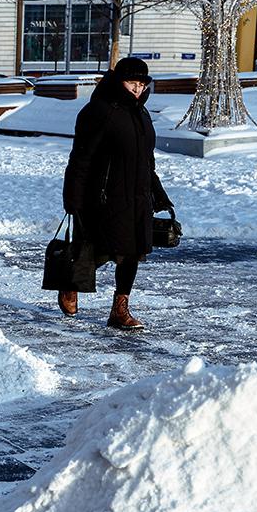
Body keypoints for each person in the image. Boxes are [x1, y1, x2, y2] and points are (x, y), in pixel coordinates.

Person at [61, 56, 172, 330]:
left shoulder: (142, 114)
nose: (137, 89)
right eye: (132, 83)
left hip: (137, 195)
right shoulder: (99, 111)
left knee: (132, 253)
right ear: (118, 81)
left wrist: (158, 193)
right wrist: (73, 197)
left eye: (141, 84)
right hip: (106, 195)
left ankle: (120, 309)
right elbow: (81, 158)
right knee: (100, 249)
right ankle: (70, 284)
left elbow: (147, 160)